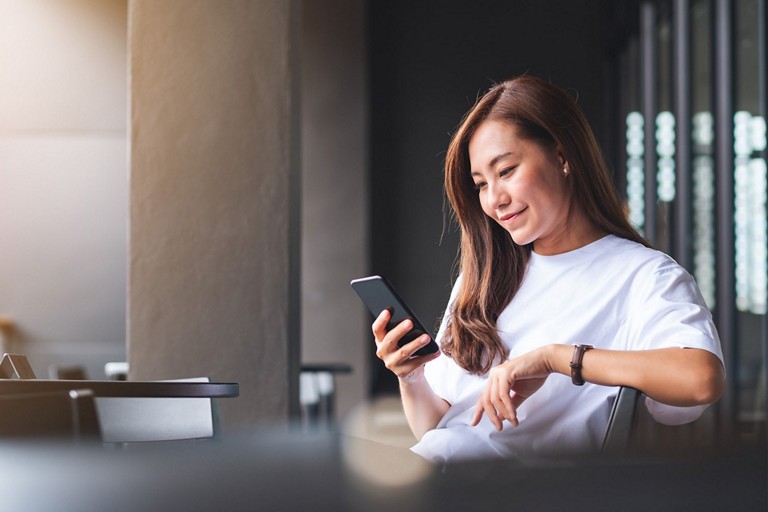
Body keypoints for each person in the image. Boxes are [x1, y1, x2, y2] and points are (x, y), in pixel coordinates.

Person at [372, 75, 725, 464]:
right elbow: (440, 429)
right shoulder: (484, 280)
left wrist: (557, 359)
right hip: (437, 477)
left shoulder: (643, 276)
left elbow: (700, 379)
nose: (494, 200)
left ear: (562, 156)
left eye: (506, 171)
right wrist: (411, 376)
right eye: (480, 184)